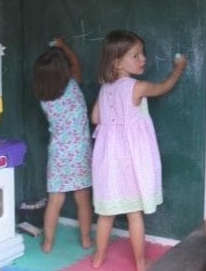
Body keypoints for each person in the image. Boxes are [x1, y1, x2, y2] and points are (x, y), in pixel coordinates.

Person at [90, 30, 187, 270]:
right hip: (130, 159)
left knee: (106, 213)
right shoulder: (138, 87)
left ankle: (98, 257)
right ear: (117, 63)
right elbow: (164, 87)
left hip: (108, 158)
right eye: (135, 55)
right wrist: (178, 69)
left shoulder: (105, 89)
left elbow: (95, 118)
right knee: (134, 213)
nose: (142, 59)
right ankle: (141, 263)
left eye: (142, 53)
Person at [32, 37, 93, 253]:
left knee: (55, 200)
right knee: (82, 199)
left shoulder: (44, 101)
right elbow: (76, 64)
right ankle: (86, 239)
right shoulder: (74, 87)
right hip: (79, 152)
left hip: (58, 153)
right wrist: (63, 46)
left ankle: (48, 243)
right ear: (64, 73)